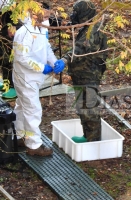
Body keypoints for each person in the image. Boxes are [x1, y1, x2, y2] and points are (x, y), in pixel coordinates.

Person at [53, 0, 108, 143]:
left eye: (76, 13)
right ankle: (88, 135)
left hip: (88, 75)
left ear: (84, 14)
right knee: (82, 105)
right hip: (82, 74)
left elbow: (79, 49)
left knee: (89, 107)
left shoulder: (94, 30)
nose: (73, 16)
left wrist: (64, 60)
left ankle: (93, 141)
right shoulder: (89, 26)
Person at [12, 2, 60, 156]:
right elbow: (22, 57)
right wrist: (41, 67)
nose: (47, 18)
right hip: (25, 78)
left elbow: (46, 48)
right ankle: (34, 146)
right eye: (45, 16)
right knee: (33, 110)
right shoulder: (24, 32)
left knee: (22, 106)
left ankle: (18, 136)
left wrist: (54, 62)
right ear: (35, 14)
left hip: (32, 78)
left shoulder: (40, 29)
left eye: (48, 16)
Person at [0, 2, 19, 98]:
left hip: (11, 21)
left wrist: (13, 25)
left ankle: (13, 86)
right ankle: (6, 83)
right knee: (3, 56)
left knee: (9, 57)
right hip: (2, 22)